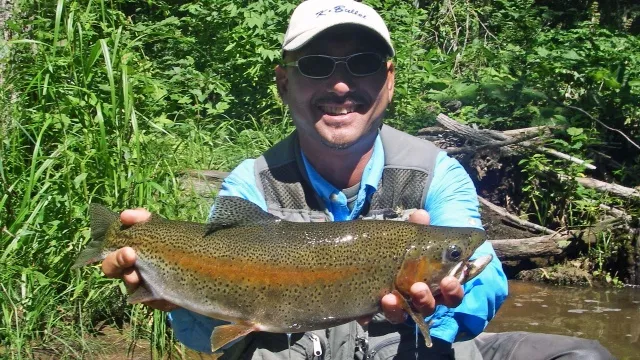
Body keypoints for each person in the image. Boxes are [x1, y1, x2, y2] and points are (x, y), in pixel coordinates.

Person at [100, 1, 615, 359]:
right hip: (297, 352)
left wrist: (434, 307)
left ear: (388, 78)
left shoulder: (437, 172)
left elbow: (484, 286)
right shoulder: (250, 185)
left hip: (411, 354)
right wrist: (169, 292)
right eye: (317, 66)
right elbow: (208, 336)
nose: (341, 85)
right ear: (284, 82)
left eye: (363, 64)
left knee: (582, 353)